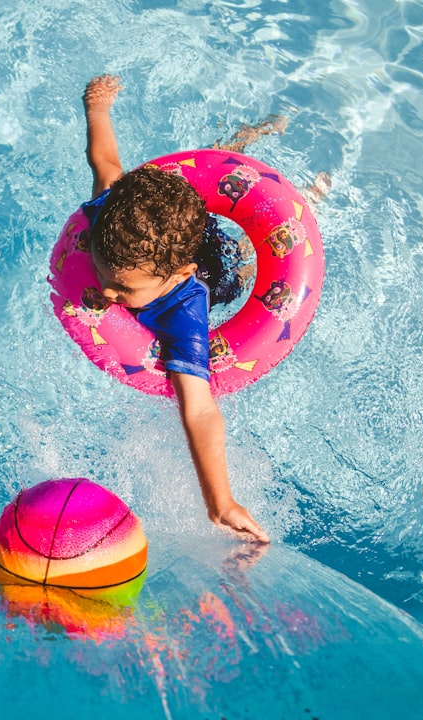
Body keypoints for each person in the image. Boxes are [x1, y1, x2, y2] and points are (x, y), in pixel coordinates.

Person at [81, 74, 269, 543]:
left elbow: (200, 410)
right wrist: (97, 111)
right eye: (102, 276)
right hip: (169, 245)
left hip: (213, 268)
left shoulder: (187, 311)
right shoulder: (110, 221)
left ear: (174, 277)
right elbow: (105, 161)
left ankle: (285, 173)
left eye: (122, 291)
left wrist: (220, 502)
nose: (106, 294)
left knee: (242, 267)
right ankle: (241, 138)